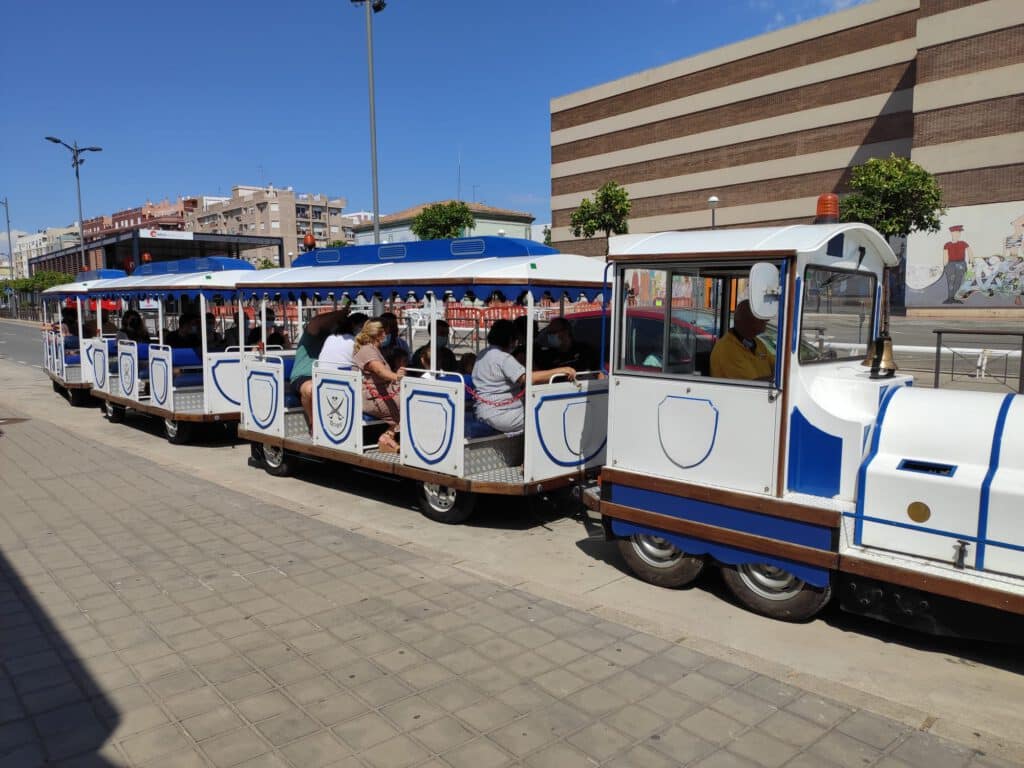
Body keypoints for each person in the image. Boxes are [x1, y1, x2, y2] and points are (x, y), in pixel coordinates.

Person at [471, 319, 576, 434]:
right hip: (500, 414)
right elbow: (527, 378)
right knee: (546, 412)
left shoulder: (483, 354)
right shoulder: (504, 358)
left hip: (482, 411)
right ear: (510, 340)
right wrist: (562, 370)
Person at [289, 308, 351, 428]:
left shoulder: (339, 339)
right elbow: (315, 322)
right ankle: (314, 423)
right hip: (304, 376)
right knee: (311, 389)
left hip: (327, 375)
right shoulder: (312, 334)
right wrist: (340, 313)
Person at [352, 320, 406, 452]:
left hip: (383, 393)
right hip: (372, 398)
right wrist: (396, 377)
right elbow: (379, 371)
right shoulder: (367, 351)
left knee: (412, 403)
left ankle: (387, 437)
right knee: (411, 406)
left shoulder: (374, 350)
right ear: (379, 334)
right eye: (385, 332)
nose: (387, 335)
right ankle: (388, 438)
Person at [710, 300, 775, 381]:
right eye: (760, 316)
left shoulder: (756, 342)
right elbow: (752, 385)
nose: (766, 320)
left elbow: (776, 365)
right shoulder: (727, 349)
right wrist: (778, 379)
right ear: (747, 320)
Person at [941, 224, 972, 305]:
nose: (958, 234)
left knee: (958, 281)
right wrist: (945, 265)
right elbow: (945, 256)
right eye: (956, 232)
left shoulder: (963, 243)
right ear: (952, 233)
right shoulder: (947, 244)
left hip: (961, 264)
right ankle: (950, 298)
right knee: (950, 282)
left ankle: (955, 298)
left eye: (959, 233)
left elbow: (970, 251)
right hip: (950, 264)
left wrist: (971, 261)